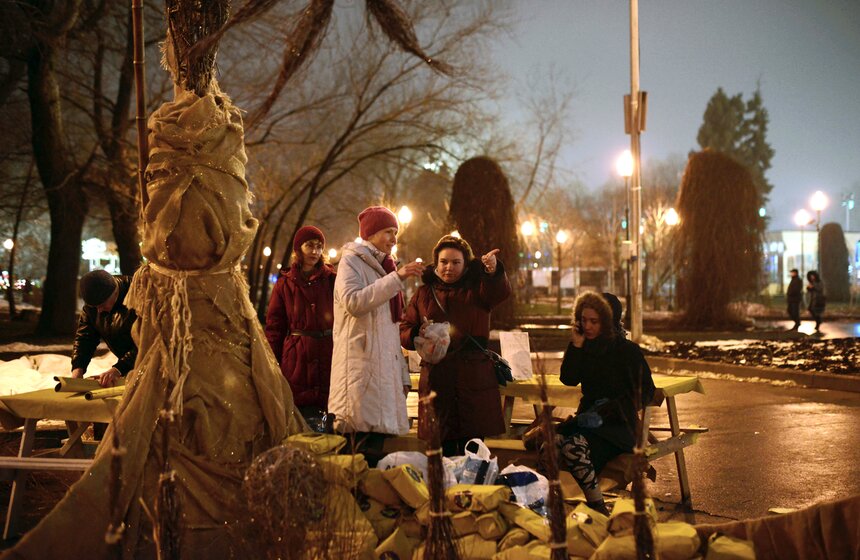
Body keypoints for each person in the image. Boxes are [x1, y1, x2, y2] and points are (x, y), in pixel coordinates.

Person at [400, 235, 511, 456]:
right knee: (443, 455)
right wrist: (416, 333)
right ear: (436, 262)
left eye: (456, 262)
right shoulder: (423, 294)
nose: (448, 267)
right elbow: (404, 329)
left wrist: (493, 271)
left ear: (466, 264)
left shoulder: (479, 289)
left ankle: (477, 490)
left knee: (475, 453)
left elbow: (499, 292)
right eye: (444, 261)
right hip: (437, 381)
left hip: (473, 381)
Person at [328, 206, 424, 462]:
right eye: (388, 232)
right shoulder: (352, 261)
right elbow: (353, 302)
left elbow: (391, 328)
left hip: (381, 377)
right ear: (370, 234)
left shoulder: (385, 266)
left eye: (395, 232)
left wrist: (402, 375)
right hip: (360, 374)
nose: (394, 239)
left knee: (374, 453)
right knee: (358, 453)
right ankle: (352, 500)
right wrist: (396, 278)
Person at [556, 291, 655, 515]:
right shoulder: (585, 347)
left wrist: (612, 409)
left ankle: (597, 507)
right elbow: (568, 379)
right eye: (583, 320)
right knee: (552, 444)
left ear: (608, 322)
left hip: (617, 426)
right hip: (589, 422)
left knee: (573, 448)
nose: (587, 326)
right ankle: (553, 503)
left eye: (594, 321)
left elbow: (647, 391)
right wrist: (576, 345)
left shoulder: (626, 351)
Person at [265, 226, 336, 430]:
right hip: (296, 355)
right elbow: (275, 327)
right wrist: (273, 364)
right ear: (299, 248)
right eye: (310, 246)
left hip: (328, 351)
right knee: (299, 415)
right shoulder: (284, 284)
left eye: (319, 247)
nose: (315, 251)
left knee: (329, 410)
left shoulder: (331, 280)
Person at [70, 270, 138, 388]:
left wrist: (118, 369)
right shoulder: (93, 304)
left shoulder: (139, 296)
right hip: (128, 367)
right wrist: (77, 369)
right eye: (95, 307)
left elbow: (149, 342)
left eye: (102, 305)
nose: (99, 311)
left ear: (115, 292)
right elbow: (85, 338)